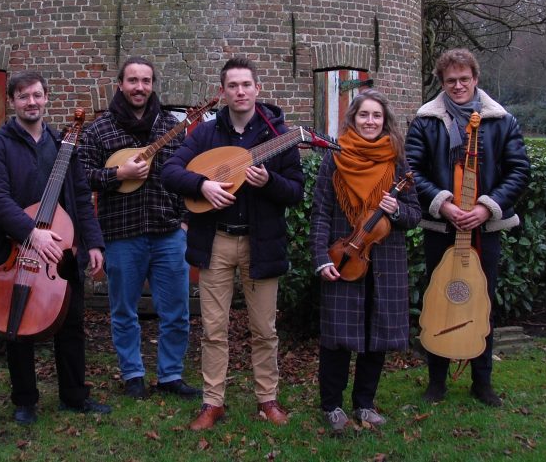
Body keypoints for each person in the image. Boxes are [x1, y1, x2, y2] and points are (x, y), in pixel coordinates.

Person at [162, 56, 304, 430]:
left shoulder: (279, 135)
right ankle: (213, 402)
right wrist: (202, 185)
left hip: (262, 243)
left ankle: (267, 399)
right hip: (216, 242)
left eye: (246, 85)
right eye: (232, 86)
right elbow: (170, 171)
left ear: (257, 88)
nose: (240, 92)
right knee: (213, 328)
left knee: (264, 329)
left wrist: (267, 183)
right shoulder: (207, 134)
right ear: (222, 92)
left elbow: (296, 192)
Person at [0, 70, 111, 424]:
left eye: (37, 95)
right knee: (17, 325)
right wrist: (30, 233)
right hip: (15, 248)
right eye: (23, 97)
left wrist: (94, 242)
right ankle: (25, 400)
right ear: (13, 102)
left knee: (71, 325)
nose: (31, 102)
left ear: (46, 97)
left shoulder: (63, 143)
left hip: (63, 251)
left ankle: (74, 395)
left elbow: (82, 197)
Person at [405, 48, 530, 407]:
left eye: (464, 79)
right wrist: (443, 204)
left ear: (475, 79)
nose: (458, 86)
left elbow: (519, 170)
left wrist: (485, 208)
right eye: (450, 81)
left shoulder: (501, 121)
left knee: (481, 301)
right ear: (441, 83)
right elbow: (411, 170)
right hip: (440, 227)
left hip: (483, 228)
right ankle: (436, 382)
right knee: (440, 301)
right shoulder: (427, 121)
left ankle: (482, 382)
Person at [77, 57, 200, 400]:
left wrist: (186, 222)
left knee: (176, 310)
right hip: (121, 234)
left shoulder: (169, 126)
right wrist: (117, 175)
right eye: (133, 80)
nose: (140, 87)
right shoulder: (100, 130)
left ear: (152, 85)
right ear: (120, 84)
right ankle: (132, 374)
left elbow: (186, 176)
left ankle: (171, 375)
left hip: (169, 232)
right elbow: (81, 176)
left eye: (146, 81)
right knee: (123, 311)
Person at [310, 90, 421, 432]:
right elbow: (321, 213)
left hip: (385, 261)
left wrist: (396, 210)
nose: (370, 122)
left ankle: (364, 403)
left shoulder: (397, 161)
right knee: (338, 337)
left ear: (385, 121)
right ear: (353, 119)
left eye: (376, 116)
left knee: (378, 336)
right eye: (363, 116)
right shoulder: (335, 158)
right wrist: (319, 257)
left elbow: (415, 213)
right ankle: (331, 405)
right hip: (343, 257)